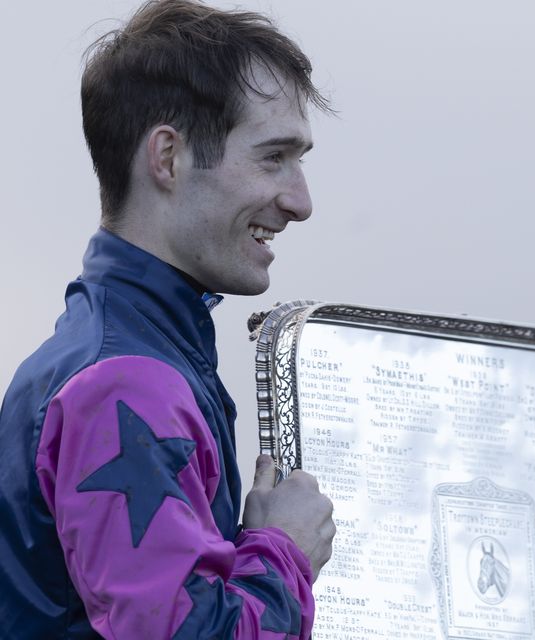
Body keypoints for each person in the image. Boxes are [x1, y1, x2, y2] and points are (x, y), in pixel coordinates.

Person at [0, 1, 336, 637]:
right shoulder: (124, 385)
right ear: (168, 157)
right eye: (273, 157)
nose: (300, 201)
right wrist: (284, 551)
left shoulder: (117, 356)